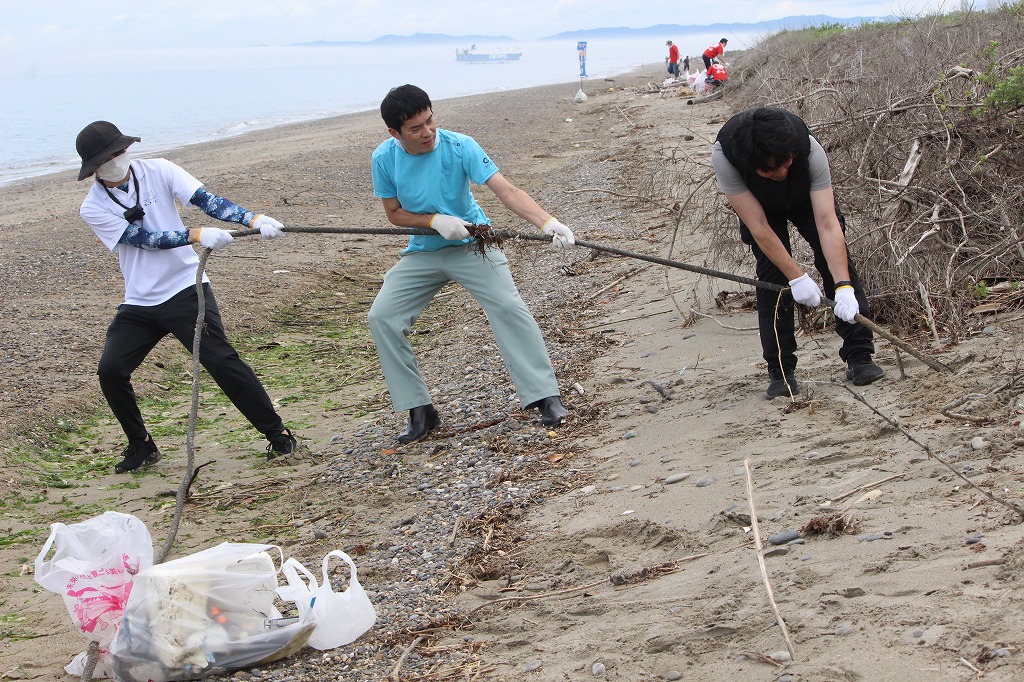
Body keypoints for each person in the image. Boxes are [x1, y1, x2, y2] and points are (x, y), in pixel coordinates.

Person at [75, 120, 302, 473]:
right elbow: (142, 240)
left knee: (222, 361)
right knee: (110, 370)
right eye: (109, 156)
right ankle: (142, 446)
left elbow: (207, 201)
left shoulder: (159, 170)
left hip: (185, 288)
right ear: (95, 167)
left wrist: (252, 219)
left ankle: (279, 434)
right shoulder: (93, 207)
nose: (118, 159)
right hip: (139, 301)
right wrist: (195, 234)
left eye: (120, 151)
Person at [368, 84, 576, 444]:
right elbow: (394, 214)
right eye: (415, 128)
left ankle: (545, 396)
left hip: (475, 246)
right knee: (382, 317)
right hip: (424, 250)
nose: (427, 132)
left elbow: (506, 190)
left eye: (430, 121)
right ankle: (419, 409)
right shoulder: (383, 158)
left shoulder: (460, 145)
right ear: (394, 133)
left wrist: (547, 222)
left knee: (510, 307)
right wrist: (434, 221)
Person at [710, 107, 884, 398]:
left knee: (836, 260)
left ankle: (859, 355)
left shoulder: (807, 147)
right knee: (774, 274)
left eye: (785, 164)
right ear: (752, 166)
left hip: (805, 197)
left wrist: (843, 287)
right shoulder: (725, 156)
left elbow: (828, 224)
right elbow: (759, 226)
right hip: (761, 206)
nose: (780, 173)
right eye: (770, 169)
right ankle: (780, 369)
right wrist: (797, 276)